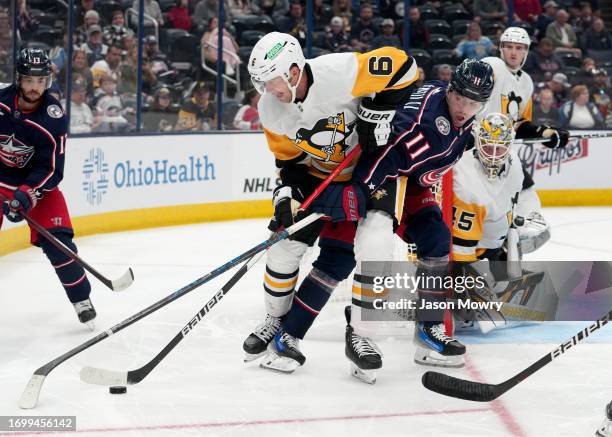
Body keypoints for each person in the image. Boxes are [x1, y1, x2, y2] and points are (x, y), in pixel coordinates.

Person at [243, 32, 418, 380]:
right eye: (260, 83)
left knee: (376, 243)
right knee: (283, 247)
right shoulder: (269, 108)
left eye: (271, 80)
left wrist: (377, 112)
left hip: (372, 167)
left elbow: (406, 67)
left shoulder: (341, 71)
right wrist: (286, 196)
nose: (267, 90)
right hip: (317, 175)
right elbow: (288, 162)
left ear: (293, 71)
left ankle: (364, 336)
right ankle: (276, 321)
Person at [342, 59, 495, 373]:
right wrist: (362, 187)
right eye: (460, 99)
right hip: (383, 174)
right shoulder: (423, 121)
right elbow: (388, 150)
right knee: (377, 242)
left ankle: (428, 329)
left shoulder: (457, 114)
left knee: (436, 238)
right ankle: (360, 333)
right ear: (450, 91)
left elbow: (457, 137)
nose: (464, 108)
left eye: (473, 103)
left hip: (410, 180)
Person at [0, 49, 96, 329]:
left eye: (40, 81)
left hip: (33, 187)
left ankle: (81, 300)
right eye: (28, 80)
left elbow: (52, 169)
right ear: (18, 79)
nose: (34, 88)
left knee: (60, 245)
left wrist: (27, 194)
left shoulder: (52, 117)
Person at [481, 27, 569, 247]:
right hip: (476, 147)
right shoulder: (492, 65)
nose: (513, 52)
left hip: (503, 150)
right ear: (501, 49)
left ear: (526, 52)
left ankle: (518, 234)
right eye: (508, 47)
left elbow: (519, 122)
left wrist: (546, 132)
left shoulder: (527, 83)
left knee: (524, 185)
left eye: (519, 48)